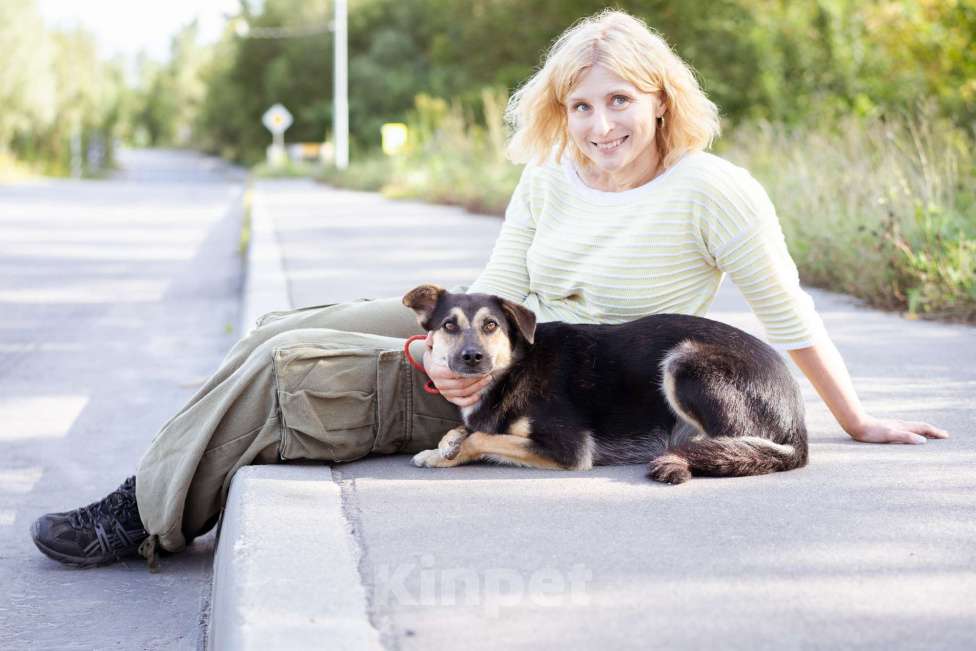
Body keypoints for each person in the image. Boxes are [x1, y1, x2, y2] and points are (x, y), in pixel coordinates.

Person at [31, 9, 948, 569]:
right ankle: (158, 474)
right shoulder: (550, 172)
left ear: (661, 98)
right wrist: (430, 341)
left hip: (549, 382)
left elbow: (789, 321)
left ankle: (142, 517)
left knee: (292, 373)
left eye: (619, 101)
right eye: (580, 105)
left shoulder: (716, 189)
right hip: (498, 332)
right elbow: (501, 283)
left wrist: (856, 420)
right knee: (284, 326)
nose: (598, 125)